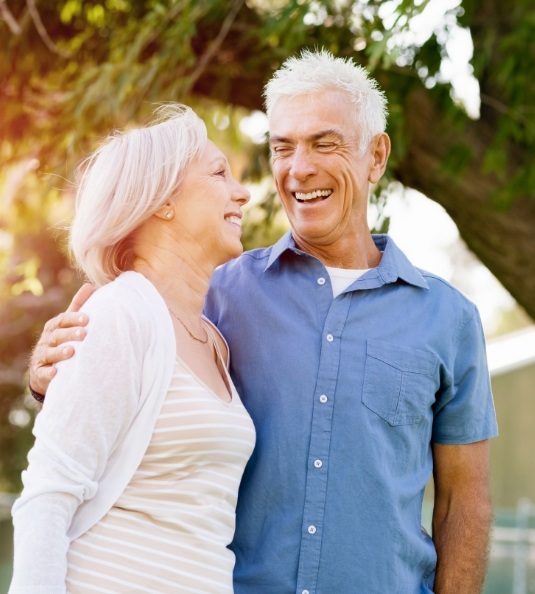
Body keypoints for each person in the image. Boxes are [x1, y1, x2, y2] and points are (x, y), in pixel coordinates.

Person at [28, 50, 497, 594]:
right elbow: (117, 380)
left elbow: (466, 501)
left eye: (325, 143)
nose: (299, 168)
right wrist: (52, 374)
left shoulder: (449, 320)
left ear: (376, 156)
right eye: (282, 147)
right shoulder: (214, 293)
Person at [10, 103, 255, 593]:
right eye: (219, 173)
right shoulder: (120, 315)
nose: (242, 192)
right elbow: (48, 494)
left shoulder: (214, 341)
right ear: (163, 200)